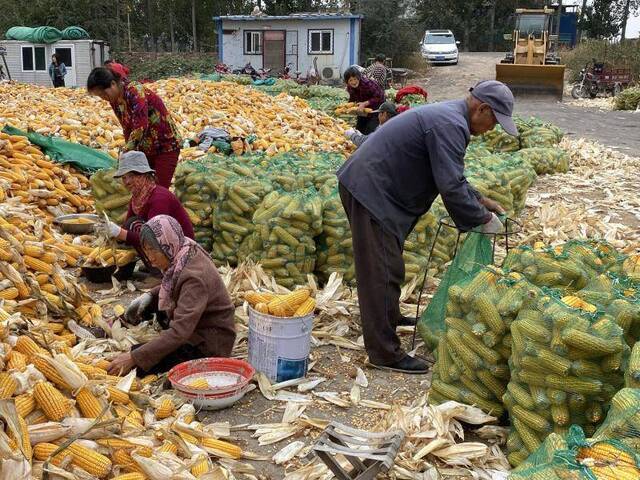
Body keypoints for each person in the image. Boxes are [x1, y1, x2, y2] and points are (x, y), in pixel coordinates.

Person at [336, 80, 516, 374]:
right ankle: (384, 352)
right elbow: (450, 186)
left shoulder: (450, 118)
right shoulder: (450, 124)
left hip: (380, 191)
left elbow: (451, 175)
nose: (492, 129)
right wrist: (480, 220)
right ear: (482, 108)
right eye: (494, 121)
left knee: (390, 266)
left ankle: (388, 317)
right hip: (372, 191)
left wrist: (481, 201)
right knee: (380, 270)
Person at [107, 215, 236, 375]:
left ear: (167, 244)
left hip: (210, 341)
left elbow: (180, 332)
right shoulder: (183, 248)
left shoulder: (194, 278)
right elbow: (172, 285)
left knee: (139, 366)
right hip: (196, 324)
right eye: (146, 250)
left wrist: (134, 357)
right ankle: (114, 323)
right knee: (150, 304)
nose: (150, 258)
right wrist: (148, 296)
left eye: (154, 250)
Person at [86, 67, 181, 188]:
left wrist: (127, 151)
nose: (103, 97)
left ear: (113, 83)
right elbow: (127, 128)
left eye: (104, 93)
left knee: (159, 190)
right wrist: (129, 155)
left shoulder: (135, 91)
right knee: (143, 189)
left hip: (165, 146)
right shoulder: (115, 100)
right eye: (100, 96)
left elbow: (141, 126)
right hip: (145, 149)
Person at [98, 151, 194, 264]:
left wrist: (119, 232)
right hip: (163, 243)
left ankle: (160, 270)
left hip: (181, 251)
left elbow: (155, 237)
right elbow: (127, 226)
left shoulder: (159, 199)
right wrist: (109, 233)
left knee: (136, 227)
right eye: (124, 178)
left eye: (132, 176)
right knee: (132, 223)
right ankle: (154, 265)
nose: (127, 182)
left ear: (144, 175)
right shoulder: (137, 197)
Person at [344, 66, 385, 136]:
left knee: (370, 131)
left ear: (359, 77)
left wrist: (365, 103)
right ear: (347, 81)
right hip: (363, 110)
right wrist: (347, 107)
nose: (353, 82)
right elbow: (352, 99)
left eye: (355, 79)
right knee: (359, 130)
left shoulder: (368, 84)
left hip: (375, 109)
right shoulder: (350, 87)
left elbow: (379, 97)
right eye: (350, 80)